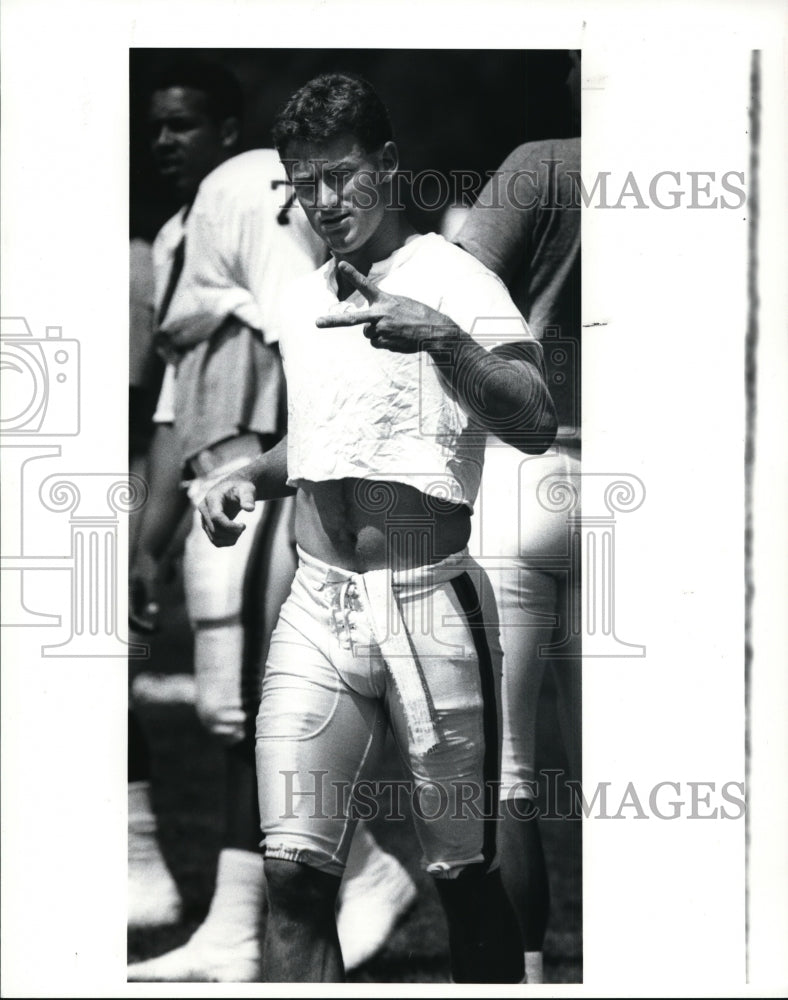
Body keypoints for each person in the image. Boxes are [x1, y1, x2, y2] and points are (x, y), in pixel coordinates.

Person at [199, 72, 558, 983]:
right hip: (318, 609)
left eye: (341, 174)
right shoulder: (303, 297)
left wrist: (443, 338)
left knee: (466, 880)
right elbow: (318, 440)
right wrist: (246, 476)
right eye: (303, 181)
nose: (325, 200)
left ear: (388, 164)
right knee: (292, 877)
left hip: (433, 603)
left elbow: (534, 419)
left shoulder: (454, 276)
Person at [128, 58, 415, 983]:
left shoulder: (249, 191)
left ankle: (363, 869)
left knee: (256, 709)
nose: (163, 142)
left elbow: (311, 332)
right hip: (220, 476)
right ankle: (236, 917)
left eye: (183, 124)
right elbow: (181, 399)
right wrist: (151, 535)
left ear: (227, 130)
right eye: (154, 125)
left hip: (267, 475)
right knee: (229, 715)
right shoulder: (191, 225)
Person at [454, 126, 582, 984]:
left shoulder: (544, 164)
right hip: (660, 478)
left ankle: (528, 975)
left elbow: (459, 295)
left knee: (508, 774)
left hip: (526, 470)